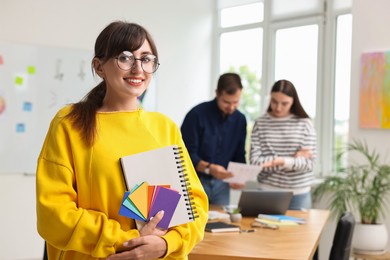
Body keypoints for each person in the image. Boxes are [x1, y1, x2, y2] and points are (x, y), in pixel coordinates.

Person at [36, 21, 208, 260]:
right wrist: (127, 242)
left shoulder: (164, 126)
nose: (138, 69)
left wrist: (168, 244)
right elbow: (54, 214)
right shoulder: (69, 123)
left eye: (147, 59)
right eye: (125, 58)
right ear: (99, 66)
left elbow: (195, 205)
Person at [180, 73, 247, 205]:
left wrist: (240, 177)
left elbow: (239, 154)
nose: (231, 107)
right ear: (217, 93)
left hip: (222, 186)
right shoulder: (196, 115)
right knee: (195, 224)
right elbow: (185, 154)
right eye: (226, 102)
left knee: (224, 224)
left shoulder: (240, 119)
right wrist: (209, 168)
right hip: (195, 181)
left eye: (236, 102)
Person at [249, 79, 317, 210]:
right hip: (267, 192)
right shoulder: (260, 123)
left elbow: (309, 164)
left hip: (299, 194)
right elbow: (256, 163)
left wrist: (281, 161)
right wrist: (290, 159)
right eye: (274, 102)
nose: (278, 107)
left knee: (300, 231)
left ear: (293, 102)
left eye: (284, 103)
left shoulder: (305, 124)